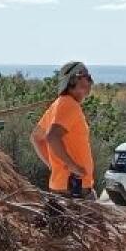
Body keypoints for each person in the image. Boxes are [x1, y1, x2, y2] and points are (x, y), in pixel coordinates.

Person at [31, 61, 96, 197]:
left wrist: (54, 165)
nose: (90, 82)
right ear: (73, 80)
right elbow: (52, 137)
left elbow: (36, 138)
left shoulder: (58, 104)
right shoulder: (69, 105)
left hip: (63, 186)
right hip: (74, 188)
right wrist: (72, 166)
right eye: (87, 77)